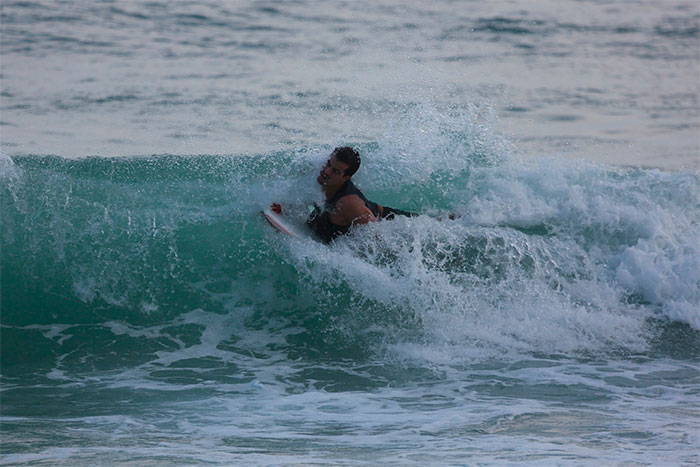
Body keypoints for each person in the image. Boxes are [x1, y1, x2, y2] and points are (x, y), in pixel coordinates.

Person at [306, 146, 416, 243]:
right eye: (329, 163)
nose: (326, 171)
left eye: (336, 171)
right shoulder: (319, 170)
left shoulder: (348, 204)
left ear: (346, 178)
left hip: (398, 224)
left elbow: (378, 241)